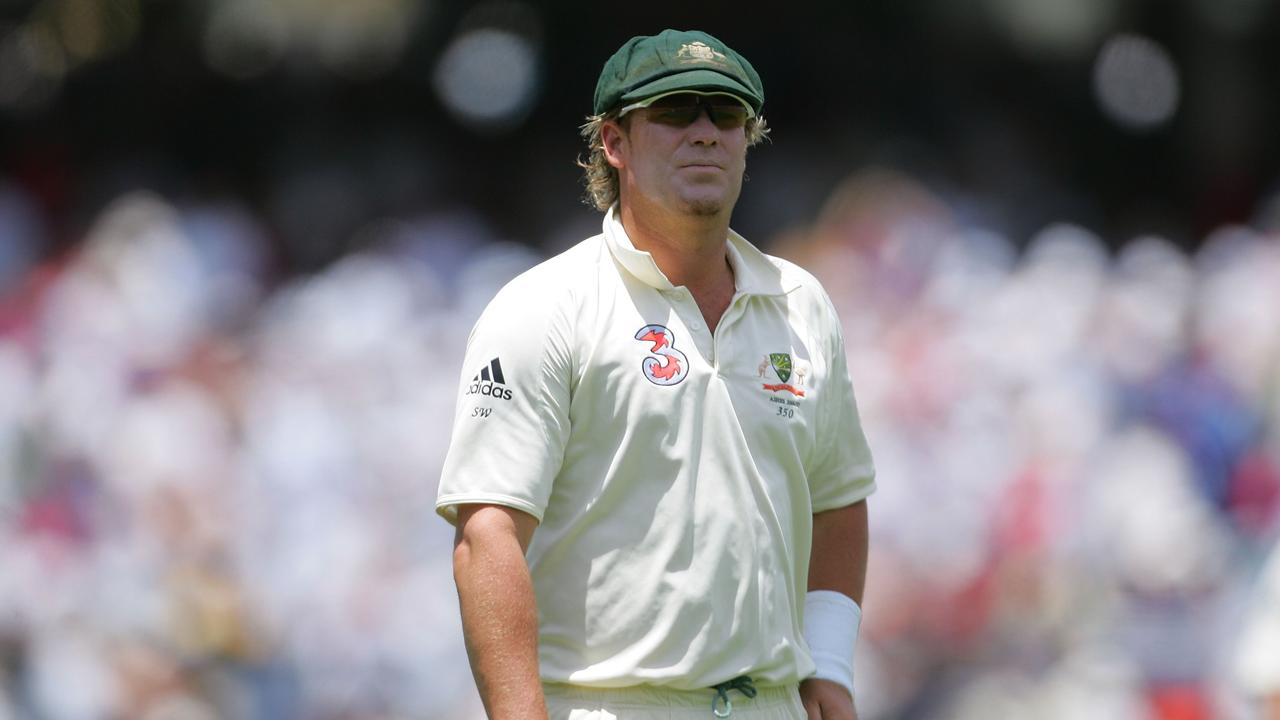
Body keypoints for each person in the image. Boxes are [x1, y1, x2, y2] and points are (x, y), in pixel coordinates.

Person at [437, 29, 876, 720]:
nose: (704, 132)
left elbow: (839, 500)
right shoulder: (546, 306)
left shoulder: (802, 305)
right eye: (675, 112)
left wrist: (830, 664)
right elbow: (486, 534)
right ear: (615, 142)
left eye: (725, 114)